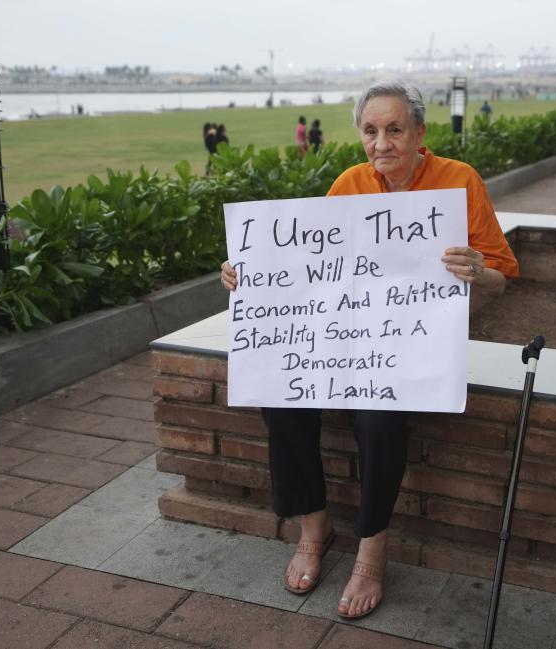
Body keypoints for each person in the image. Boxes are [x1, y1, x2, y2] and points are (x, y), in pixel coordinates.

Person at [220, 80, 519, 621]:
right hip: (344, 341)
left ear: (420, 133)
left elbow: (504, 274)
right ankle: (314, 526)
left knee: (381, 420)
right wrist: (250, 274)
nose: (382, 143)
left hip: (413, 348)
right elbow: (312, 268)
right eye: (370, 130)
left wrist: (480, 271)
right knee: (281, 399)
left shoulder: (460, 181)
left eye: (395, 129)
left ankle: (372, 546)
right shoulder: (349, 183)